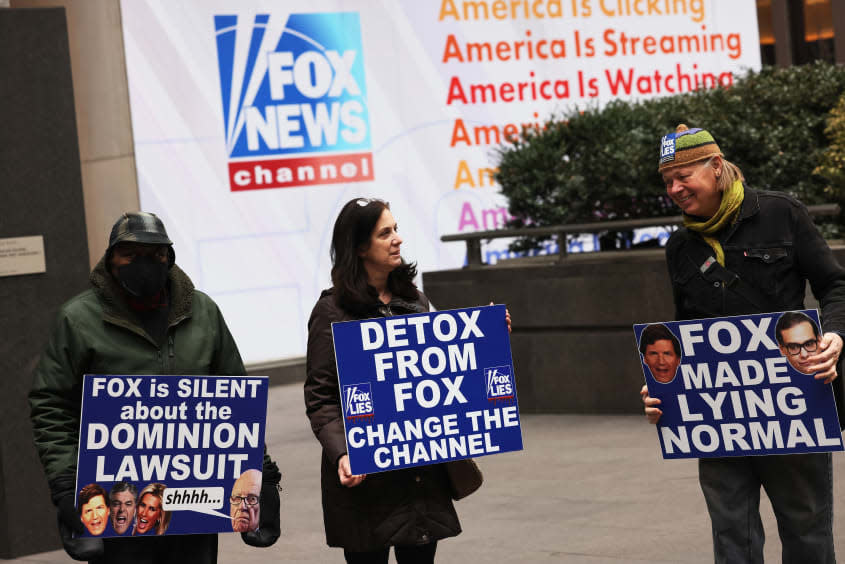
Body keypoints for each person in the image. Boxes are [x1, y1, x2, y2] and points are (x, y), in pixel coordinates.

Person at [641, 124, 845, 563]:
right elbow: (685, 332)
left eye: (683, 176)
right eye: (667, 181)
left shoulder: (782, 212)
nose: (674, 189)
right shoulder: (679, 246)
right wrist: (663, 386)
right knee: (733, 538)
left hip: (792, 405)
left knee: (807, 531)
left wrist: (834, 336)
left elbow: (835, 285)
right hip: (716, 415)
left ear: (716, 167)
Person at [29, 211, 281, 563]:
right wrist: (68, 485)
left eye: (155, 255)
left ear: (169, 258)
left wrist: (262, 477)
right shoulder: (79, 319)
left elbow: (236, 402)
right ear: (111, 258)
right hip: (119, 501)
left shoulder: (203, 312)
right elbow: (52, 405)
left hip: (194, 499)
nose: (143, 264)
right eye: (130, 255)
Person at [305, 198, 510, 564]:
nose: (397, 239)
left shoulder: (415, 300)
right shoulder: (330, 312)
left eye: (396, 229)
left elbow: (448, 373)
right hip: (367, 480)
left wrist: (488, 339)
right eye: (385, 233)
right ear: (359, 246)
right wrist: (343, 452)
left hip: (420, 476)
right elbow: (320, 398)